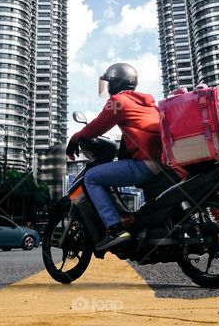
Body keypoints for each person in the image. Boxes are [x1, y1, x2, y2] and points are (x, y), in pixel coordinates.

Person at [66, 62, 162, 250]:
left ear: (115, 83)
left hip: (146, 164)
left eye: (109, 83)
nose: (107, 87)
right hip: (164, 162)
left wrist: (75, 138)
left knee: (91, 178)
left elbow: (96, 127)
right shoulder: (149, 105)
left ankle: (115, 229)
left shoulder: (119, 101)